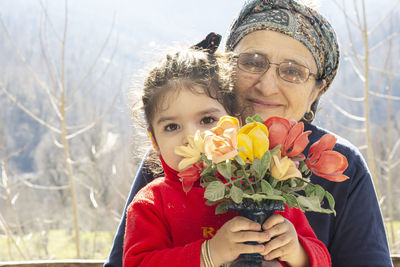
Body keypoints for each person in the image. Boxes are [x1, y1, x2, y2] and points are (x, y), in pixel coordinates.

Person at [106, 1, 392, 266]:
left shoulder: (340, 163)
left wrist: (298, 254)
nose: (267, 86)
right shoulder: (177, 155)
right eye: (253, 62)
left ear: (317, 90)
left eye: (293, 71)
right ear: (227, 69)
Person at [122, 45, 331, 267]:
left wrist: (297, 252)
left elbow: (321, 257)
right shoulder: (152, 204)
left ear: (236, 123)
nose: (192, 137)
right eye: (172, 126)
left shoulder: (262, 186)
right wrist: (207, 254)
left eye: (207, 120)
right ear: (154, 141)